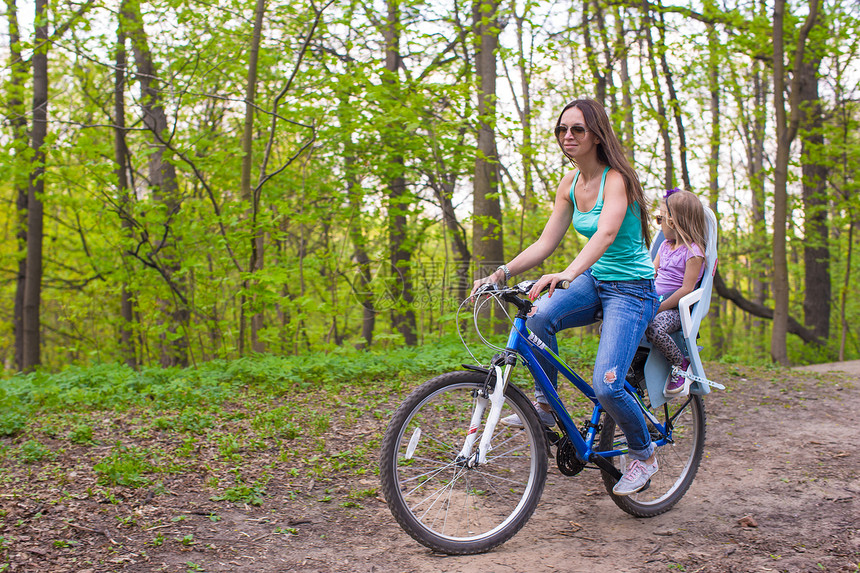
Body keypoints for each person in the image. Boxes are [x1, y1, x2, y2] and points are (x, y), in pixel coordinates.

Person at [472, 98, 660, 496]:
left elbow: (607, 234)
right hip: (597, 279)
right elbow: (545, 241)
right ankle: (545, 407)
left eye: (577, 129)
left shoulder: (616, 180)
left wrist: (569, 273)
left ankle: (644, 454)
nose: (567, 136)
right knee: (538, 317)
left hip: (632, 289)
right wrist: (501, 273)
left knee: (608, 385)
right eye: (562, 129)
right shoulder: (570, 184)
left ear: (596, 135)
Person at [645, 188, 707, 395]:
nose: (658, 224)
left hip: (676, 310)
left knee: (655, 328)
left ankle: (680, 364)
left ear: (675, 222)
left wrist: (660, 307)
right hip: (656, 301)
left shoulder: (693, 253)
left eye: (659, 218)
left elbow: (687, 289)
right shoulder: (664, 246)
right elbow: (650, 273)